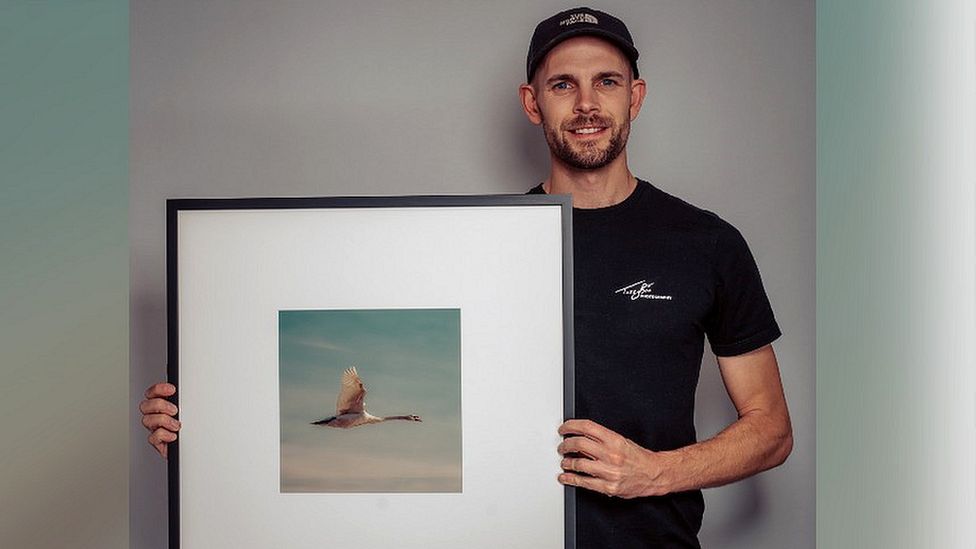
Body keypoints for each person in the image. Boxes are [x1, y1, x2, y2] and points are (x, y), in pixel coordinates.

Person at [141, 7, 792, 548]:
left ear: (637, 96)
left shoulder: (706, 244)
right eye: (563, 84)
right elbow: (404, 377)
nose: (588, 103)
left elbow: (771, 428)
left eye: (608, 82)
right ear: (532, 103)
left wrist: (652, 473)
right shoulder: (476, 252)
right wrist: (214, 436)